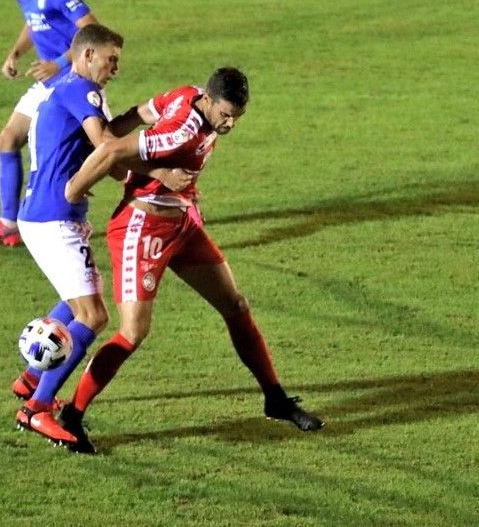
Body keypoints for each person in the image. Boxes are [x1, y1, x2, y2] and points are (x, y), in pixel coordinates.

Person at [57, 67, 325, 454]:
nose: (229, 123)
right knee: (133, 332)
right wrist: (74, 192)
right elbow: (113, 151)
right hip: (142, 228)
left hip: (181, 224)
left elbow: (141, 112)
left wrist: (118, 131)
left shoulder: (188, 94)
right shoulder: (183, 130)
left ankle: (275, 398)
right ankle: (72, 415)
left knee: (235, 305)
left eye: (237, 116)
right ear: (209, 102)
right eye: (225, 115)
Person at [10, 24, 195, 446]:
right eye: (111, 60)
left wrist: (139, 126)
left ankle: (31, 376)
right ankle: (36, 409)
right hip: (54, 217)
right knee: (92, 317)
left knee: (78, 297)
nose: (115, 68)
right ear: (88, 55)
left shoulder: (71, 86)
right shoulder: (84, 91)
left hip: (46, 211)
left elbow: (107, 146)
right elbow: (108, 151)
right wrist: (161, 171)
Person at [0, 0, 101, 246]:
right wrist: (14, 53)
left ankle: (166, 197)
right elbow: (33, 22)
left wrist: (58, 64)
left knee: (107, 149)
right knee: (7, 140)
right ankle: (9, 225)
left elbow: (93, 33)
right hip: (47, 85)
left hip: (73, 84)